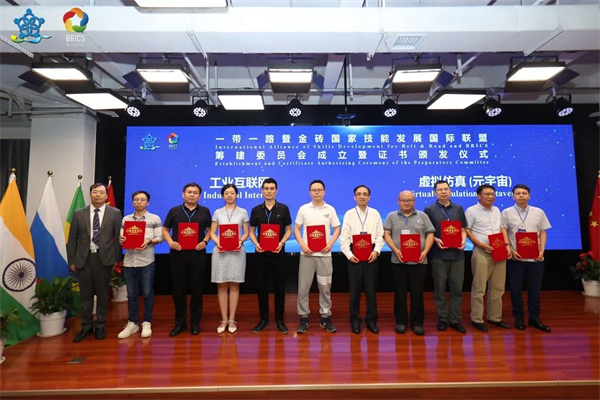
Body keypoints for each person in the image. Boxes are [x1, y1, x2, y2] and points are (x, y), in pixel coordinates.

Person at [68, 183, 122, 342]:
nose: (98, 195)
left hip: (104, 259)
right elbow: (72, 239)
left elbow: (118, 238)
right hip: (84, 259)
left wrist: (117, 259)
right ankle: (86, 326)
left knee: (102, 294)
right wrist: (72, 260)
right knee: (85, 295)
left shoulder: (115, 213)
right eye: (95, 192)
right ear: (90, 194)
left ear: (106, 195)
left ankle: (100, 325)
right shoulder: (79, 214)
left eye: (101, 192)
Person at [162, 183, 211, 336]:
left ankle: (195, 322)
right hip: (178, 254)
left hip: (198, 254)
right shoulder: (174, 211)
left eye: (195, 192)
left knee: (197, 289)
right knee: (179, 290)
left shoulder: (204, 211)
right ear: (183, 194)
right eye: (189, 192)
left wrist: (205, 242)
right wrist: (170, 242)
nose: (192, 195)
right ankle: (180, 323)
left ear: (199, 196)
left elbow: (210, 230)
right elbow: (165, 229)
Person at [383, 190, 435, 336]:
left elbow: (430, 233)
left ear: (414, 201)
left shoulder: (422, 216)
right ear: (398, 201)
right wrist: (395, 250)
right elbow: (386, 234)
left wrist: (425, 251)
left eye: (409, 200)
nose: (406, 202)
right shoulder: (391, 216)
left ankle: (417, 323)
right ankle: (401, 322)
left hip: (419, 261)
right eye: (403, 200)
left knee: (417, 293)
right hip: (398, 261)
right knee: (400, 293)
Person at [502, 184, 552, 332]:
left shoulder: (538, 212)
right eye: (518, 193)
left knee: (534, 291)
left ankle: (534, 318)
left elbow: (543, 232)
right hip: (515, 259)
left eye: (524, 193)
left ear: (529, 196)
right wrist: (510, 249)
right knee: (515, 290)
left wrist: (542, 250)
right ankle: (518, 318)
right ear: (513, 196)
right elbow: (503, 231)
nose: (521, 196)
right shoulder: (506, 212)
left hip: (535, 259)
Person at [294, 179, 341, 334]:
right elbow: (297, 229)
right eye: (314, 190)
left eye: (319, 190)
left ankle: (325, 316)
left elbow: (337, 229)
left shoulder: (330, 209)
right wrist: (302, 245)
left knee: (325, 288)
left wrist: (330, 244)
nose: (316, 192)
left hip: (325, 255)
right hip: (306, 255)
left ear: (324, 192)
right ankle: (303, 317)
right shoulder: (303, 209)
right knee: (303, 288)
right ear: (309, 192)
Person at [465, 184, 512, 332]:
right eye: (487, 194)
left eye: (492, 194)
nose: (491, 196)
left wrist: (507, 244)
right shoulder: (471, 211)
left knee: (498, 287)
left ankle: (495, 317)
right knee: (479, 287)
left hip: (499, 251)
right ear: (479, 196)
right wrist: (481, 244)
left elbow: (501, 229)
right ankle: (477, 319)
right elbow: (467, 230)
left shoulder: (497, 210)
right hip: (481, 252)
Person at [248, 178, 292, 334]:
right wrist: (256, 243)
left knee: (279, 287)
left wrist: (281, 242)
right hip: (261, 254)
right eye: (266, 188)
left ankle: (279, 320)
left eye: (272, 188)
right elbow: (251, 231)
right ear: (262, 191)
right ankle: (264, 320)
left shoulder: (284, 209)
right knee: (262, 287)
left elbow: (288, 230)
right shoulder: (256, 210)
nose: (269, 191)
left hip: (278, 253)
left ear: (276, 191)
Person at [423, 180, 468, 334]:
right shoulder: (429, 209)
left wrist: (463, 240)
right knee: (440, 288)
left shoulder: (458, 208)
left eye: (446, 189)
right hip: (438, 255)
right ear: (435, 193)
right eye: (440, 190)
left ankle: (455, 319)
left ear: (450, 191)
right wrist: (436, 240)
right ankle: (442, 318)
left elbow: (463, 229)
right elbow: (427, 232)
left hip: (457, 254)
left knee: (457, 288)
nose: (443, 192)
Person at [117, 190, 163, 339]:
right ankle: (132, 323)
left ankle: (146, 322)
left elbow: (160, 237)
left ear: (147, 202)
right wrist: (122, 240)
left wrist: (149, 241)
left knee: (148, 293)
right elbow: (121, 238)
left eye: (142, 200)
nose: (139, 202)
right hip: (129, 261)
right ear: (132, 202)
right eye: (136, 199)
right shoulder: (126, 219)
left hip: (146, 260)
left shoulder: (154, 218)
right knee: (131, 294)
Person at [340, 185, 384, 335]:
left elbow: (380, 235)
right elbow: (344, 238)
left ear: (369, 197)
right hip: (355, 254)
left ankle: (371, 320)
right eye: (359, 194)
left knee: (371, 290)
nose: (362, 196)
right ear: (354, 197)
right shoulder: (349, 214)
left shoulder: (375, 213)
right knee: (355, 290)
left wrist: (376, 251)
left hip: (371, 253)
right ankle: (354, 320)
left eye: (365, 194)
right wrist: (349, 255)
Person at [210, 184, 249, 334]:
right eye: (226, 193)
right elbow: (212, 232)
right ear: (222, 196)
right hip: (220, 251)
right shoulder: (217, 212)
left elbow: (246, 232)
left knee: (234, 285)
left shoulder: (243, 212)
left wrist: (240, 241)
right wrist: (218, 242)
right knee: (221, 285)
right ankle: (224, 319)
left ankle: (232, 319)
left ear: (236, 195)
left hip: (236, 251)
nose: (229, 195)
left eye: (232, 193)